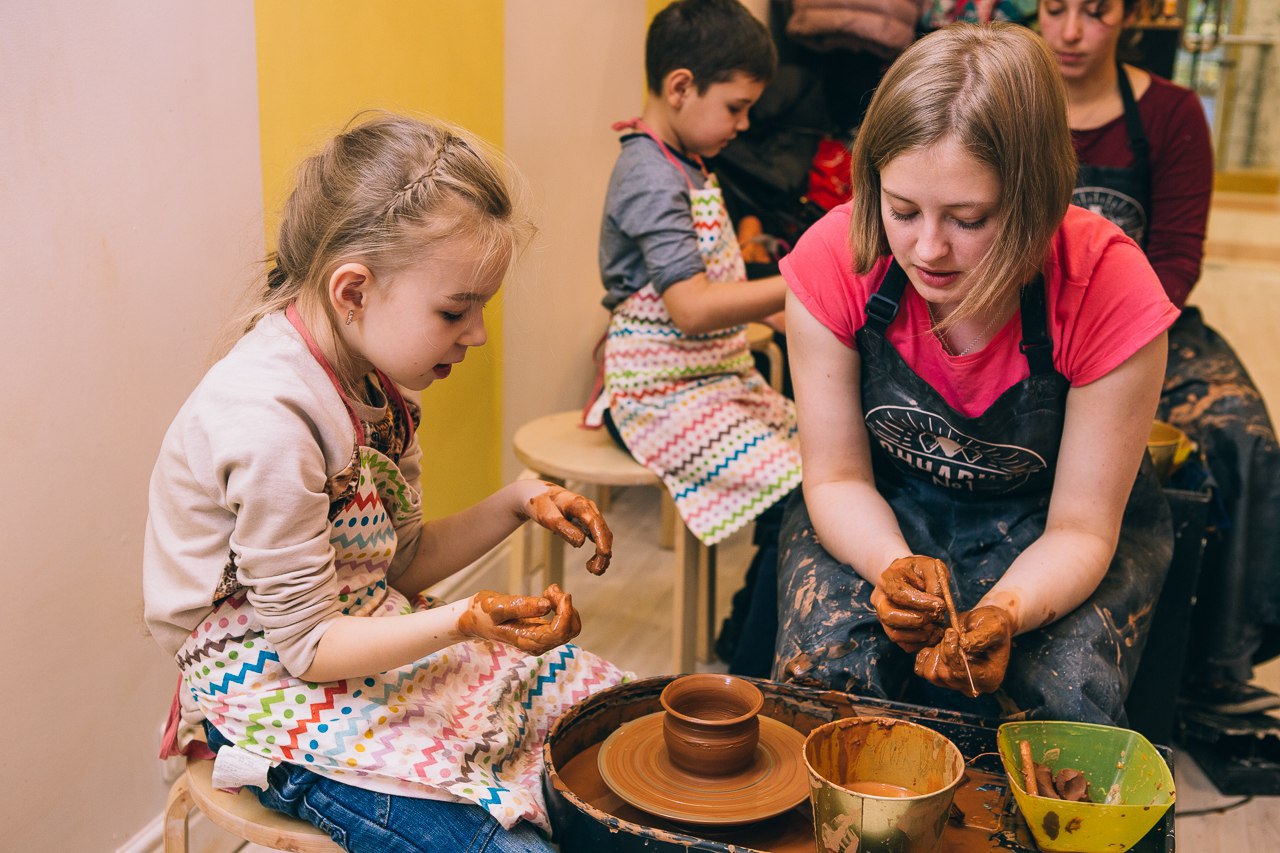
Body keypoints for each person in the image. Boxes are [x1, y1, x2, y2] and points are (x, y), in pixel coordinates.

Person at [143, 112, 628, 853]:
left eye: (481, 309)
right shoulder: (270, 421)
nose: (478, 335)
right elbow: (306, 647)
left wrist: (516, 501)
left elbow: (394, 566)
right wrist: (462, 619)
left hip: (357, 636)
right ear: (354, 290)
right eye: (455, 310)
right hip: (270, 697)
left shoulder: (380, 389)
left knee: (609, 726)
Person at [772, 22, 1181, 725]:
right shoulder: (832, 257)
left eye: (969, 218)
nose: (928, 249)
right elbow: (837, 478)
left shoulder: (1111, 287)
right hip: (881, 503)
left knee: (1057, 706)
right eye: (903, 210)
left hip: (1050, 521)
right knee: (826, 685)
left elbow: (1082, 528)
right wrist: (890, 568)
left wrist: (1006, 611)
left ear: (1036, 200)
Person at [1039, 0, 1280, 715]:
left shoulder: (1172, 115)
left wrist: (1120, 335)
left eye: (1096, 12)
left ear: (1132, 16)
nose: (1073, 31)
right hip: (1026, 327)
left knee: (1241, 433)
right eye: (1054, 9)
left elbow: (1175, 257)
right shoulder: (1012, 100)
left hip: (1147, 325)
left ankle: (1215, 664)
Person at [585, 0, 803, 677]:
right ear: (680, 87)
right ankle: (752, 666)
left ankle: (745, 626)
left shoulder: (690, 163)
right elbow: (690, 308)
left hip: (711, 381)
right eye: (736, 107)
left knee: (821, 457)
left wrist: (780, 314)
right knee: (807, 487)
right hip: (653, 395)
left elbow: (716, 291)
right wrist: (795, 285)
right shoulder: (650, 173)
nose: (742, 125)